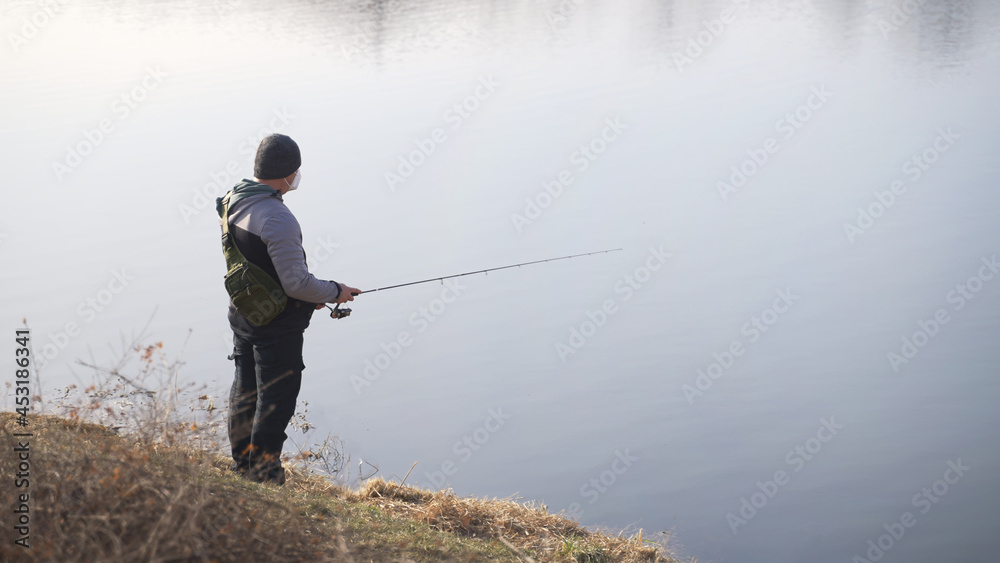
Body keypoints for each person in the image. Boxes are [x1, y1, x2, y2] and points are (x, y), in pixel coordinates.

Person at [217, 133, 360, 485]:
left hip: (244, 312)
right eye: (296, 171)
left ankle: (242, 465)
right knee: (275, 398)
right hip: (275, 327)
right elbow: (296, 284)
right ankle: (265, 475)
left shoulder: (235, 199)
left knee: (245, 389)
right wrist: (335, 291)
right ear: (287, 175)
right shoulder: (277, 218)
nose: (298, 176)